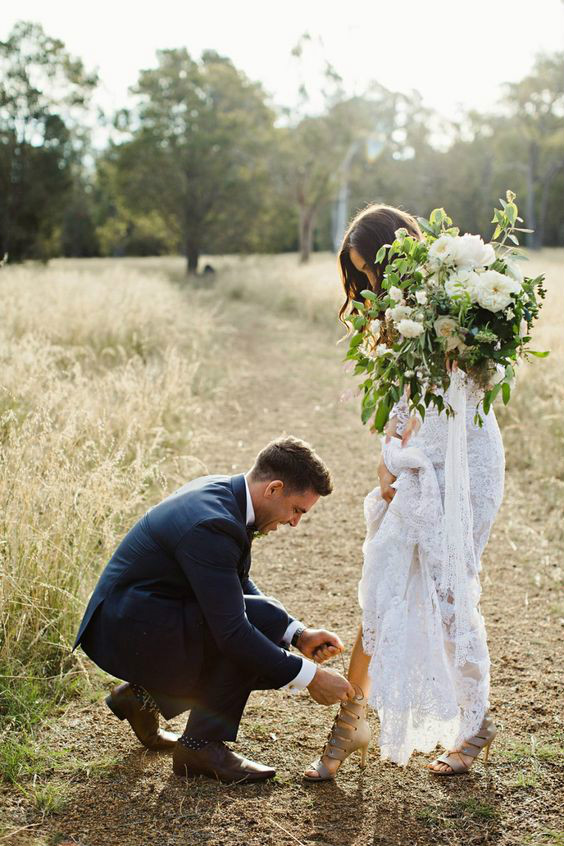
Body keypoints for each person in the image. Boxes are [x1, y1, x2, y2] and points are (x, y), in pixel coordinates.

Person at [304, 204, 505, 781]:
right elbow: (405, 392)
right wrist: (389, 453)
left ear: (398, 251)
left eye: (371, 269)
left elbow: (478, 381)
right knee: (385, 575)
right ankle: (351, 722)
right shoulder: (392, 311)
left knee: (448, 590)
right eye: (360, 274)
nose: (367, 283)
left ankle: (475, 722)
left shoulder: (454, 296)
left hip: (466, 457)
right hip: (417, 452)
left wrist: (460, 341)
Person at [75, 436, 355, 784]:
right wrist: (310, 676)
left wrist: (297, 634)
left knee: (265, 624)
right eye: (296, 510)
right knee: (245, 643)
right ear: (275, 489)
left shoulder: (229, 496)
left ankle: (142, 698)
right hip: (125, 630)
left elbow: (236, 584)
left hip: (143, 615)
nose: (295, 522)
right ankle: (199, 747)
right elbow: (233, 632)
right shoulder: (214, 523)